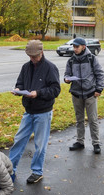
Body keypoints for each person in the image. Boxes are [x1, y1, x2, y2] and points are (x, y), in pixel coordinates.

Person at [9, 40, 61, 184]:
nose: (32, 59)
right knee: (19, 139)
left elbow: (56, 90)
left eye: (35, 56)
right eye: (30, 56)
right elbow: (20, 82)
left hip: (43, 112)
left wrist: (37, 93)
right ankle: (10, 169)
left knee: (40, 144)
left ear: (41, 52)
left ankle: (37, 172)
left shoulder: (50, 68)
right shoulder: (26, 67)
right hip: (29, 110)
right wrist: (18, 89)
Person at [64, 37, 104, 154]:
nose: (75, 49)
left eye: (77, 47)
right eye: (74, 46)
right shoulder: (71, 60)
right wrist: (67, 79)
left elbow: (100, 74)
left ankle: (96, 143)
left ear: (83, 47)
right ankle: (80, 141)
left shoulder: (91, 58)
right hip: (76, 93)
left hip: (90, 93)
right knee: (79, 119)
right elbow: (67, 74)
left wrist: (99, 89)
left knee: (93, 119)